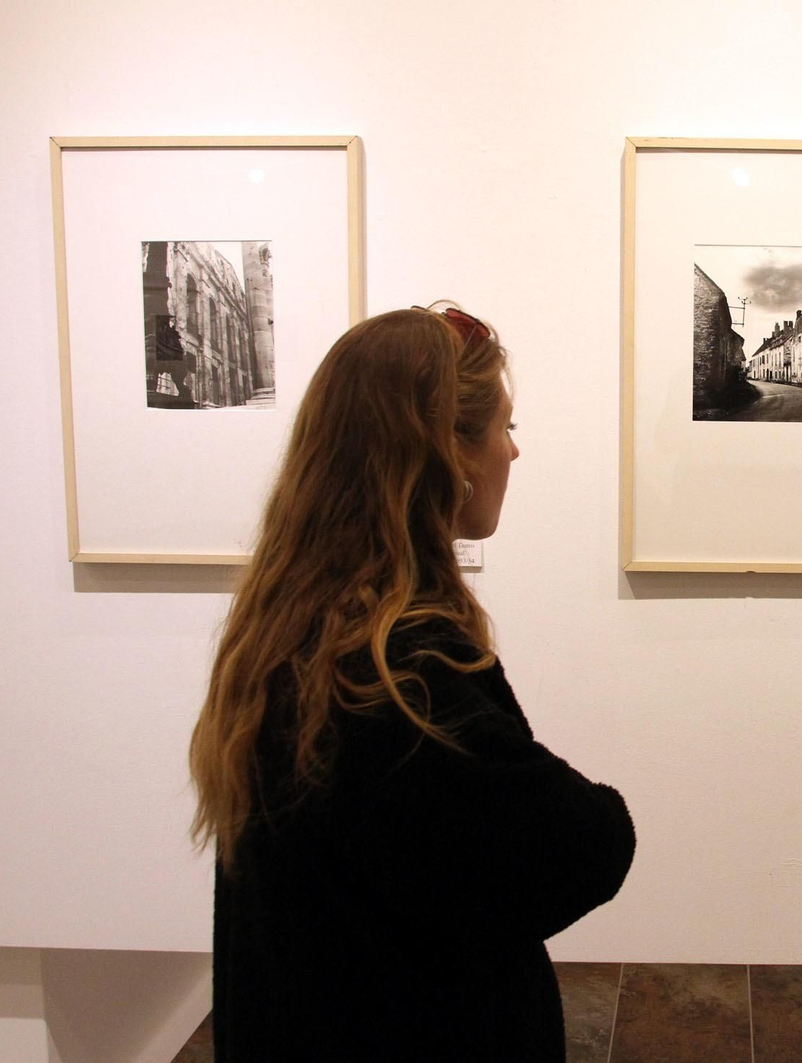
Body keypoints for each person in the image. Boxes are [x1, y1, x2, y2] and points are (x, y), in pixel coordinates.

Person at [189, 305, 635, 1061]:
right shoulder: (394, 669)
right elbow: (578, 843)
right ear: (446, 452)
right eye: (503, 426)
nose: (514, 452)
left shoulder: (294, 623)